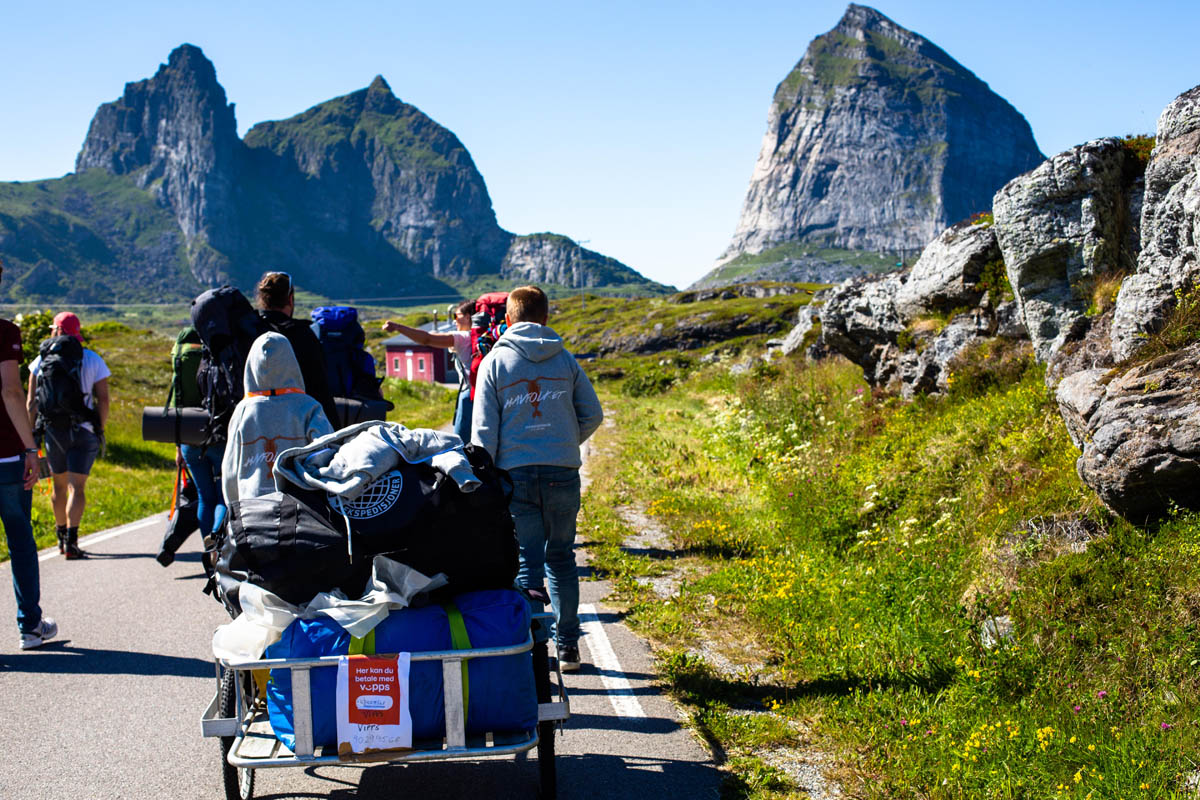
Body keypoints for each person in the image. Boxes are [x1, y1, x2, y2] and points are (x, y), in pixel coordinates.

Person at [471, 286, 603, 672]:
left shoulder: (496, 363)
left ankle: (535, 650)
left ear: (506, 320)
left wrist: (486, 478)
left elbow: (482, 433)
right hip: (562, 470)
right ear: (546, 318)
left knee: (527, 563)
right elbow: (592, 414)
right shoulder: (564, 359)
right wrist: (562, 443)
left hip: (516, 475)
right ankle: (569, 648)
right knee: (561, 558)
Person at [0, 262, 58, 649]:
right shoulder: (5, 333)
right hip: (4, 455)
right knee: (20, 538)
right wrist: (29, 448)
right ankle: (30, 626)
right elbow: (10, 392)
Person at [26, 311, 110, 560]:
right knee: (78, 487)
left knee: (59, 486)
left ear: (56, 331)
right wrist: (100, 427)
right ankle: (73, 541)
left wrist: (31, 436)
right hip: (84, 431)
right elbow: (103, 399)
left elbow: (31, 402)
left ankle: (60, 536)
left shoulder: (40, 361)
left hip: (54, 431)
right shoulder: (93, 359)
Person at [222, 332, 334, 508]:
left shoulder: (243, 411)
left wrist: (233, 510)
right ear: (292, 364)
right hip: (301, 507)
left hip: (251, 508)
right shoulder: (308, 407)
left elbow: (230, 469)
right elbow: (328, 453)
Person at [160, 325, 223, 567]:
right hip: (217, 434)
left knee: (205, 497)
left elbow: (177, 397)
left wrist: (178, 447)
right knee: (223, 497)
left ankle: (208, 551)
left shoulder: (182, 349)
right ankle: (218, 545)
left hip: (188, 436)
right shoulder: (218, 345)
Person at [255, 271, 340, 427]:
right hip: (295, 423)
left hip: (255, 421)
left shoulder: (249, 330)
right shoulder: (302, 334)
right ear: (290, 299)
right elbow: (319, 387)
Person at [382, 299, 475, 441]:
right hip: (490, 393)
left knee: (461, 444)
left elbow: (426, 339)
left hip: (470, 395)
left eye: (456, 316)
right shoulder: (488, 337)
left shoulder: (464, 338)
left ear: (468, 317)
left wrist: (397, 327)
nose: (455, 321)